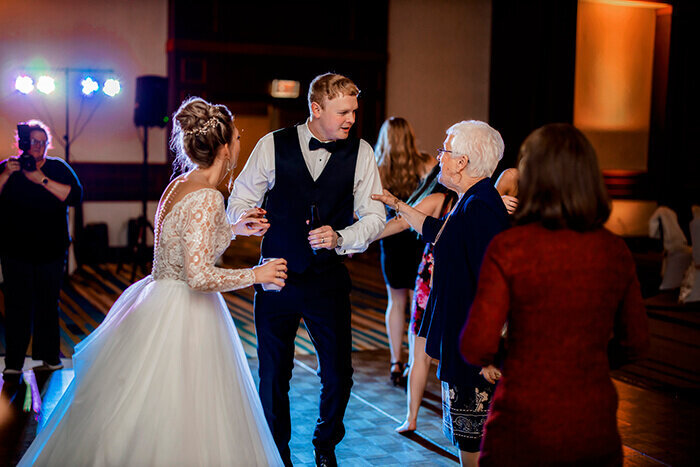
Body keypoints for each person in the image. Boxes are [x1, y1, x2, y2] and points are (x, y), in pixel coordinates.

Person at [18, 98, 287, 466]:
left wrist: (234, 228)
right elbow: (199, 275)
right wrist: (257, 274)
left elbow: (184, 243)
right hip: (185, 313)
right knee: (183, 411)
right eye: (237, 137)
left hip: (157, 297)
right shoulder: (208, 197)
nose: (240, 143)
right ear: (225, 148)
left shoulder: (180, 184)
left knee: (141, 407)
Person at [460, 123, 650, 466]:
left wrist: (515, 358)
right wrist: (586, 361)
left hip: (522, 420)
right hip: (592, 423)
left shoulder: (511, 248)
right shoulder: (614, 250)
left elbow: (476, 345)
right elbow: (636, 341)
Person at [227, 73, 385, 467]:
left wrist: (343, 237)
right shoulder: (271, 145)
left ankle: (325, 443)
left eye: (354, 111)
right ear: (317, 109)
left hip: (327, 280)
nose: (351, 119)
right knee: (273, 375)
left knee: (338, 373)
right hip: (276, 275)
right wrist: (246, 217)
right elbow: (239, 198)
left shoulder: (361, 152)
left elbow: (375, 216)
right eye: (343, 111)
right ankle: (277, 454)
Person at [373, 120, 509, 467]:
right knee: (468, 439)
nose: (439, 159)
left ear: (462, 162)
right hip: (464, 339)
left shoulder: (481, 207)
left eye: (444, 151)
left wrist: (491, 353)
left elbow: (493, 282)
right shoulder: (470, 199)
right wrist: (397, 204)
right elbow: (437, 232)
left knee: (474, 444)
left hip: (473, 346)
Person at [1, 120, 82, 375]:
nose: (36, 147)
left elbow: (74, 196)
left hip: (51, 250)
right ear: (22, 143)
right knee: (17, 305)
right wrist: (5, 175)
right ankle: (13, 362)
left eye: (41, 142)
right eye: (32, 141)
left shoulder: (57, 168)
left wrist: (41, 179)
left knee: (48, 304)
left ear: (47, 145)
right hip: (15, 251)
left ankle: (49, 356)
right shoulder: (9, 168)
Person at [374, 116, 436, 386]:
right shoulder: (426, 163)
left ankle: (395, 362)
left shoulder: (377, 168)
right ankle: (415, 361)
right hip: (419, 237)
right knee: (417, 302)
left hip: (391, 238)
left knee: (396, 301)